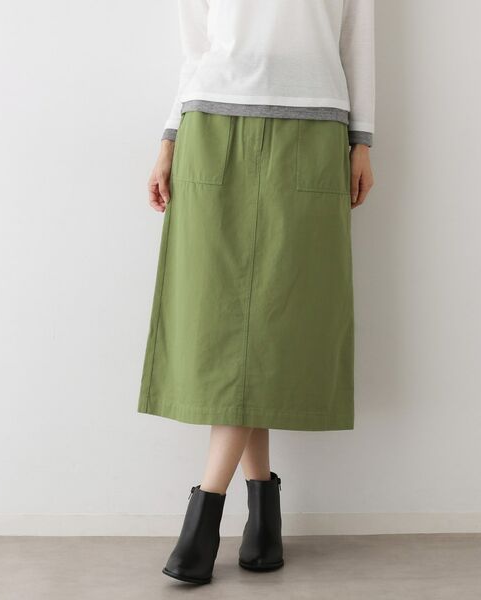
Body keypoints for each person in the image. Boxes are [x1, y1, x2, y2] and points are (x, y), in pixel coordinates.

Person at [138, 0, 375, 585]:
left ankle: (204, 518)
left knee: (270, 326)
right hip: (212, 124)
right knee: (226, 328)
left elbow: (358, 38)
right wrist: (169, 138)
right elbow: (195, 50)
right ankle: (263, 520)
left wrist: (362, 140)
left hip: (312, 126)